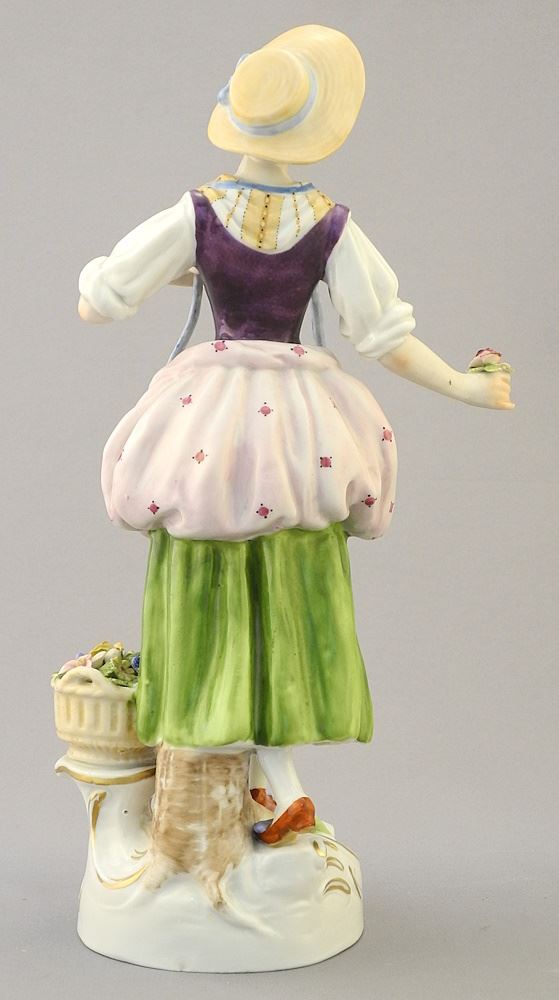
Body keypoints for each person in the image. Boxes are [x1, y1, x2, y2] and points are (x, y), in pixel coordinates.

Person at [78, 25, 514, 846]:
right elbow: (382, 336)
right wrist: (464, 385)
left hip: (211, 420)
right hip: (295, 425)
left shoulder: (198, 212)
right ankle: (271, 779)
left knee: (204, 549)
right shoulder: (329, 224)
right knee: (286, 568)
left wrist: (181, 268)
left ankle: (235, 771)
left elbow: (101, 300)